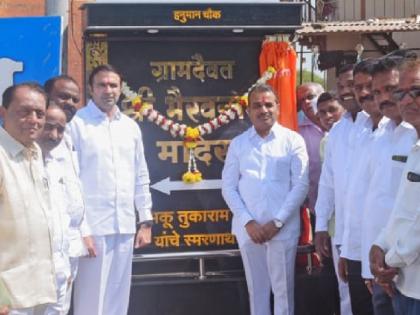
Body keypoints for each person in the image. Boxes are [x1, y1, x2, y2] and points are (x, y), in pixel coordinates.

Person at [69, 64, 153, 315]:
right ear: (91, 89)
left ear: (121, 89)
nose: (108, 90)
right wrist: (81, 229)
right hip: (92, 229)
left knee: (118, 298)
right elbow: (70, 180)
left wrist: (145, 220)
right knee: (90, 301)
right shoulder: (77, 124)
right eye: (102, 85)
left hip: (124, 226)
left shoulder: (130, 127)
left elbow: (141, 174)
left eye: (113, 85)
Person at [222, 84, 309, 315]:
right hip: (249, 230)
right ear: (248, 111)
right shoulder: (238, 144)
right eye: (257, 105)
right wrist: (248, 222)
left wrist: (277, 222)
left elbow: (300, 185)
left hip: (282, 229)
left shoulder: (293, 140)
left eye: (269, 104)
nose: (264, 110)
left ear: (278, 107)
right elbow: (228, 188)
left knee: (283, 292)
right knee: (257, 290)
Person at [361, 56, 416, 315]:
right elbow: (393, 206)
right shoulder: (381, 137)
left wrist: (389, 260)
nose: (404, 100)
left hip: (405, 272)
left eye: (414, 92)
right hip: (389, 270)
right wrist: (376, 248)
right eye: (402, 93)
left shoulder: (412, 135)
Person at [0, 83, 56, 314]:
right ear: (3, 113)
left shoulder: (35, 153)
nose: (34, 119)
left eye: (40, 113)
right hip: (8, 297)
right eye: (24, 111)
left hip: (38, 291)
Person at [314, 64, 358, 315]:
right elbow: (327, 183)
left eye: (351, 84)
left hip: (373, 230)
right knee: (346, 294)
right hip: (341, 229)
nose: (347, 91)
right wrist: (321, 225)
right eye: (341, 86)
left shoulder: (378, 127)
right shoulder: (336, 134)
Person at [44, 75, 84, 314]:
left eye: (74, 99)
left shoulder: (66, 137)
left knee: (61, 309)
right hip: (44, 253)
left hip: (68, 246)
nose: (70, 102)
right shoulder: (35, 142)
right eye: (63, 96)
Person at [297, 83, 325, 214]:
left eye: (310, 96)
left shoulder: (343, 122)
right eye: (301, 100)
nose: (306, 102)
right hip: (313, 208)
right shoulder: (296, 129)